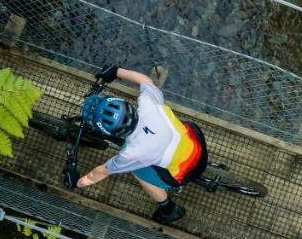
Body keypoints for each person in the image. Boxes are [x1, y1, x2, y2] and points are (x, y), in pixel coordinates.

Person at [75, 65, 207, 224]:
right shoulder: (148, 103)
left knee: (137, 169)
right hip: (197, 144)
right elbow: (145, 80)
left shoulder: (132, 153)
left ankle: (169, 209)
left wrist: (78, 182)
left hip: (185, 172)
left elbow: (103, 171)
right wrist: (116, 71)